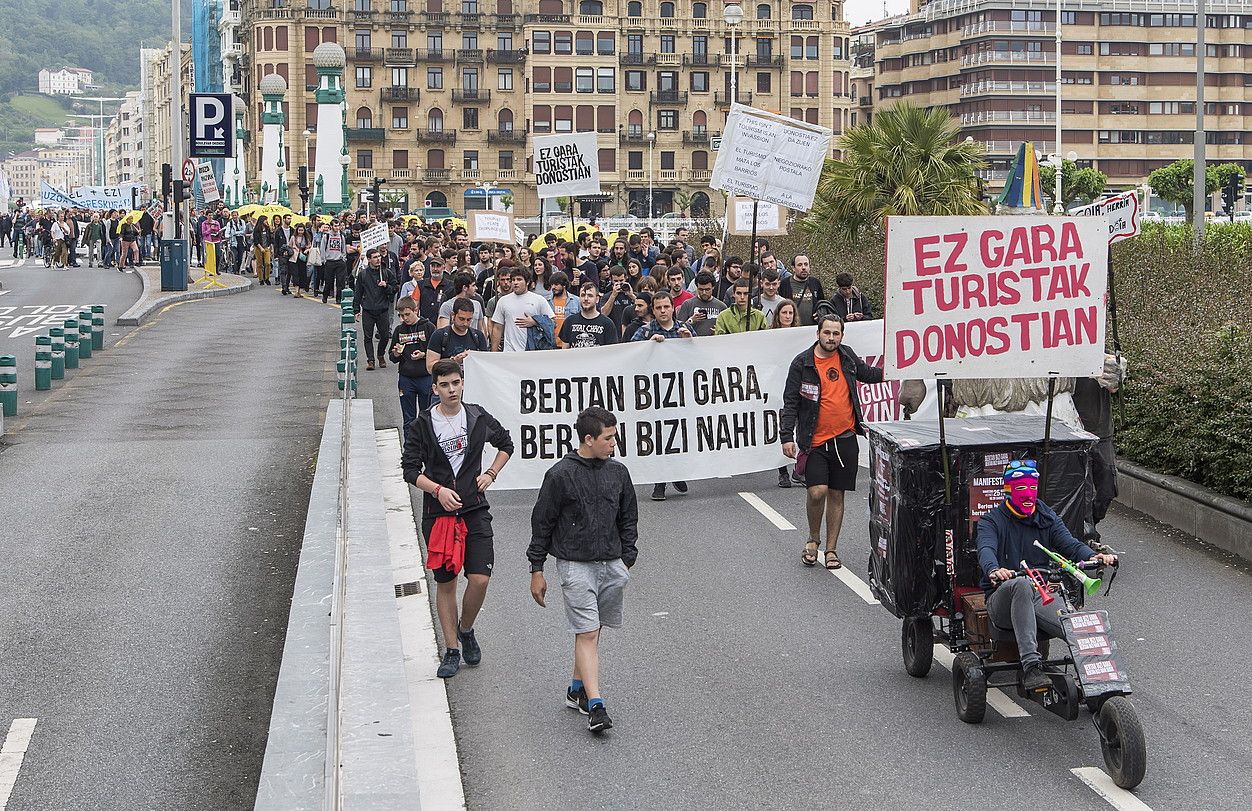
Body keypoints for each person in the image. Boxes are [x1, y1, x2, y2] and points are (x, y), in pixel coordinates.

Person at [401, 359, 514, 679]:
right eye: (444, 385)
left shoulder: (477, 416)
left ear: (463, 383)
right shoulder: (422, 424)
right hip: (439, 515)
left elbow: (506, 444)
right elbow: (410, 470)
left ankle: (466, 629)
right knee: (447, 583)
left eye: (456, 383)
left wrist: (491, 472)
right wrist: (437, 490)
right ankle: (451, 650)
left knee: (479, 579)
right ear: (434, 389)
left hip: (475, 508)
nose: (451, 390)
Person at [528, 407, 639, 733]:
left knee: (592, 631)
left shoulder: (618, 473)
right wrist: (537, 568)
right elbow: (542, 523)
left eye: (614, 436)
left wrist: (626, 557)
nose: (614, 443)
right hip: (575, 566)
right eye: (609, 438)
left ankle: (577, 690)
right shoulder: (560, 476)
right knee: (588, 632)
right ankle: (596, 706)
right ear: (588, 439)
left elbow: (628, 517)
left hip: (611, 566)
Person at [977, 459, 1116, 690]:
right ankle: (1031, 668)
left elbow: (1071, 545)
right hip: (1003, 598)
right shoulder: (991, 521)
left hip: (1042, 595)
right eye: (1021, 488)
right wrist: (994, 569)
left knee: (1080, 627)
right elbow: (986, 549)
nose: (1028, 493)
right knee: (1021, 584)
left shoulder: (1046, 516)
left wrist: (1094, 556)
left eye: (1032, 487)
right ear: (1008, 490)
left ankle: (1101, 680)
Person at [780, 314, 884, 570]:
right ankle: (813, 539)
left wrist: (901, 367)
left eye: (836, 334)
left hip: (845, 439)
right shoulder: (802, 363)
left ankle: (831, 549)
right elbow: (790, 402)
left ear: (841, 336)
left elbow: (869, 374)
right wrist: (786, 436)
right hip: (814, 440)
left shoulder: (847, 356)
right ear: (818, 333)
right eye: (827, 333)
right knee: (817, 492)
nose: (831, 338)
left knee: (837, 495)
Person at [629, 290, 694, 501]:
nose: (663, 311)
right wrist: (647, 344)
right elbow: (628, 355)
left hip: (680, 392)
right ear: (653, 310)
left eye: (666, 307)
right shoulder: (645, 331)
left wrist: (690, 342)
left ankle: (678, 471)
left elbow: (701, 358)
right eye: (658, 308)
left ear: (672, 308)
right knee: (659, 436)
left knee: (680, 434)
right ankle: (660, 482)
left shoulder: (684, 328)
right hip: (655, 394)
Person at [1072, 354, 1125, 543]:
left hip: (1103, 434)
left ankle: (1092, 523)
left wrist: (1114, 374)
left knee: (1108, 489)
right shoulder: (1069, 357)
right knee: (1084, 493)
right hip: (1078, 435)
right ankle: (1088, 535)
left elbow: (1114, 388)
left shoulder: (1105, 356)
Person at [389, 296, 436, 429]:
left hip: (425, 377)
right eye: (401, 315)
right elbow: (391, 357)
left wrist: (424, 355)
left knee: (426, 417)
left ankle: (426, 448)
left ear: (416, 311)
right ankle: (410, 449)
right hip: (406, 378)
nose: (405, 318)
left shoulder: (428, 327)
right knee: (408, 419)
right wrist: (396, 353)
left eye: (407, 314)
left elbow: (438, 353)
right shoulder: (399, 330)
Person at [491, 267, 555, 352]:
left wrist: (535, 322)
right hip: (510, 352)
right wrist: (493, 352)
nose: (515, 283)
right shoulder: (503, 301)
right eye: (513, 280)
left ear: (527, 282)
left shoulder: (539, 299)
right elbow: (497, 328)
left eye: (519, 279)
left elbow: (553, 322)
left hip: (532, 352)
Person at [354, 248, 397, 370]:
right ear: (369, 259)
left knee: (384, 336)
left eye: (379, 256)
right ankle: (370, 360)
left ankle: (380, 355)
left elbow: (395, 287)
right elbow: (358, 293)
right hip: (368, 309)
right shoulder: (363, 274)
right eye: (375, 257)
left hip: (383, 309)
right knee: (368, 337)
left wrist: (386, 286)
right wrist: (356, 310)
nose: (378, 259)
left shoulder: (386, 273)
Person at [426, 297, 490, 373]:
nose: (465, 323)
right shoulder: (439, 335)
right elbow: (430, 367)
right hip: (448, 380)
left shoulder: (478, 336)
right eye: (461, 319)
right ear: (453, 315)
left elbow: (485, 365)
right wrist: (453, 361)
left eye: (469, 320)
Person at [559, 282, 619, 348]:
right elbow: (564, 351)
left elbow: (611, 352)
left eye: (590, 295)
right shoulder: (569, 321)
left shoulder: (607, 324)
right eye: (583, 295)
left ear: (597, 299)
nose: (586, 299)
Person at [675, 270, 727, 338]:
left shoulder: (721, 306)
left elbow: (727, 330)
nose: (704, 292)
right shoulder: (688, 304)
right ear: (696, 287)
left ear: (713, 287)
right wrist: (691, 320)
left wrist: (719, 332)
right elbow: (678, 329)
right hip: (693, 344)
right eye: (701, 289)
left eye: (707, 289)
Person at [788, 254, 825, 326]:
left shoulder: (815, 282)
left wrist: (820, 313)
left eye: (806, 264)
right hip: (792, 328)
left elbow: (822, 302)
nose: (803, 268)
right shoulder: (785, 283)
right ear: (793, 268)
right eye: (799, 265)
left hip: (812, 328)